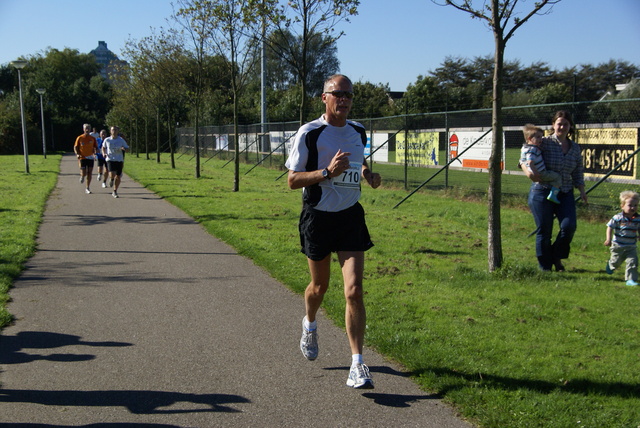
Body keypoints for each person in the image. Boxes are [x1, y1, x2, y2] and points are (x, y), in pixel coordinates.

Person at [285, 74, 382, 389]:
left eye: (349, 95)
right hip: (318, 218)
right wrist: (327, 172)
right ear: (324, 97)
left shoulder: (358, 131)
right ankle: (310, 323)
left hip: (350, 216)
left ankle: (357, 364)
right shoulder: (310, 134)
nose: (344, 99)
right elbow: (292, 180)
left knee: (353, 291)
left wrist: (367, 174)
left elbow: (358, 161)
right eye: (337, 93)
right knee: (319, 287)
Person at [521, 110, 588, 272]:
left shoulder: (574, 148)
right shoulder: (544, 142)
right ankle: (545, 266)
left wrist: (582, 190)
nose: (562, 127)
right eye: (559, 123)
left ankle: (556, 256)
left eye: (566, 124)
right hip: (542, 191)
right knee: (544, 230)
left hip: (564, 192)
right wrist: (528, 171)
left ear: (570, 126)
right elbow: (524, 156)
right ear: (553, 125)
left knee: (569, 226)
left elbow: (578, 170)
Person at [604, 191, 640, 287]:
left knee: (632, 262)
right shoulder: (618, 217)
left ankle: (630, 279)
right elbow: (609, 227)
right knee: (616, 262)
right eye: (630, 205)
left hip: (631, 246)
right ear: (622, 206)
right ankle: (611, 265)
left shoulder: (638, 218)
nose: (633, 207)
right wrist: (608, 239)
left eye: (635, 205)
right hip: (618, 246)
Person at [519, 124, 561, 204]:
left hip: (537, 172)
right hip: (541, 172)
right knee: (558, 177)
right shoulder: (532, 149)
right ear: (530, 138)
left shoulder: (525, 148)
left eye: (541, 137)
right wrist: (535, 173)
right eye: (538, 137)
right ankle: (553, 195)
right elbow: (530, 162)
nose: (541, 139)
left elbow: (523, 160)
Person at [102, 126, 129, 199]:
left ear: (118, 131)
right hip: (110, 159)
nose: (114, 131)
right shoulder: (107, 140)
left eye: (115, 130)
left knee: (118, 176)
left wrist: (124, 149)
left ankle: (115, 191)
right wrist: (104, 153)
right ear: (110, 131)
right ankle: (111, 179)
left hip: (119, 159)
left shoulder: (121, 140)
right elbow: (103, 147)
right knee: (112, 174)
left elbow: (127, 148)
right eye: (113, 130)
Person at [73, 123, 98, 194]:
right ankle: (82, 176)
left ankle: (87, 187)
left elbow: (95, 147)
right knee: (84, 173)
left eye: (88, 128)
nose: (87, 130)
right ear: (83, 129)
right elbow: (75, 147)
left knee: (89, 173)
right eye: (86, 128)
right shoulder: (80, 138)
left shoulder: (92, 138)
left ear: (90, 130)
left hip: (90, 157)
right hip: (82, 157)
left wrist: (95, 153)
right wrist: (77, 154)